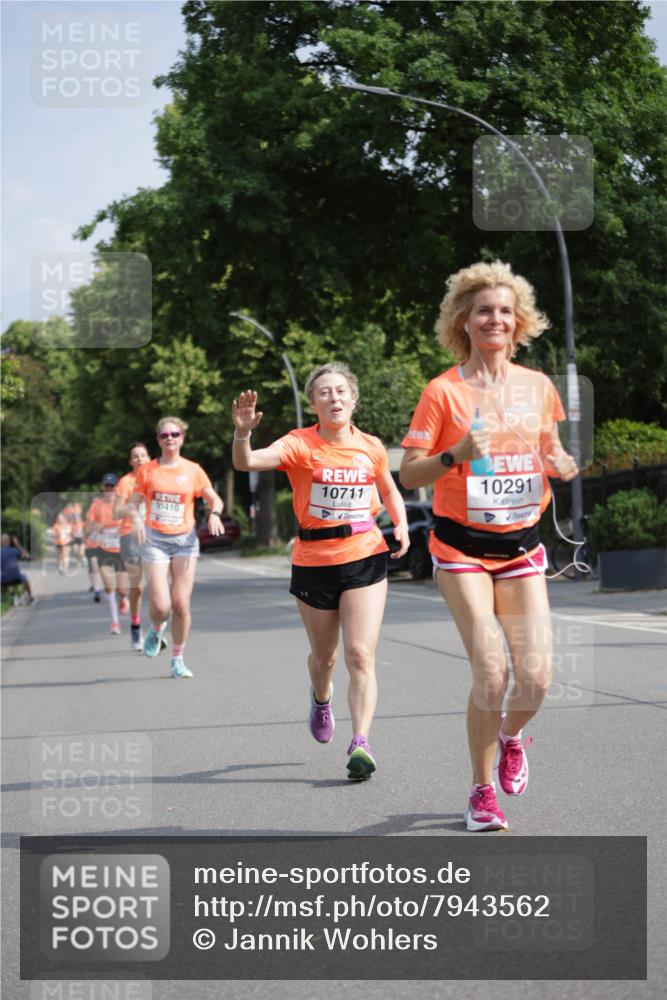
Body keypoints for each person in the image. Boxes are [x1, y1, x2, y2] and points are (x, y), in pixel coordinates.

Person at [400, 261, 578, 831]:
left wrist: (559, 460)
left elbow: (548, 447)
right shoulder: (442, 392)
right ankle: (481, 795)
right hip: (461, 550)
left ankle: (512, 735)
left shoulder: (538, 386)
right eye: (483, 310)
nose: (495, 318)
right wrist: (454, 453)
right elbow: (409, 475)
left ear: (518, 320)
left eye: (504, 310)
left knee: (538, 678)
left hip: (522, 545)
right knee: (493, 672)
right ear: (464, 322)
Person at [232, 363, 409, 780]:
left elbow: (388, 489)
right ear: (313, 403)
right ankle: (321, 696)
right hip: (314, 560)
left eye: (341, 391)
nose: (334, 398)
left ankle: (361, 741)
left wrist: (399, 522)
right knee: (325, 657)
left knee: (360, 654)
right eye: (325, 392)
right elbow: (248, 463)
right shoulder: (299, 444)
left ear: (353, 398)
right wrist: (242, 433)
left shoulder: (371, 446)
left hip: (365, 552)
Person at [130, 416, 224, 678]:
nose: (169, 438)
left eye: (174, 434)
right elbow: (132, 503)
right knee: (161, 606)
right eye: (164, 435)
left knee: (181, 604)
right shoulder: (147, 470)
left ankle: (177, 659)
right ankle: (157, 629)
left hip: (184, 541)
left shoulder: (193, 470)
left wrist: (214, 513)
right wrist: (136, 518)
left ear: (182, 437)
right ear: (158, 440)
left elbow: (214, 499)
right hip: (155, 541)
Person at [113, 443, 151, 652]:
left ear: (148, 458)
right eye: (135, 456)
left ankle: (157, 627)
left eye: (143, 455)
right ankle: (136, 626)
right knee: (138, 587)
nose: (139, 459)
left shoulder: (156, 477)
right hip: (130, 535)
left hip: (155, 534)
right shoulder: (125, 482)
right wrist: (134, 510)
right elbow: (116, 512)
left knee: (159, 583)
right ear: (131, 462)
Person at [84, 474, 129, 635]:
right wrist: (94, 527)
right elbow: (87, 530)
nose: (109, 489)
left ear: (117, 487)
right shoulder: (96, 506)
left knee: (122, 590)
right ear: (103, 487)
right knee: (109, 587)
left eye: (112, 486)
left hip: (121, 550)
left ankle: (124, 598)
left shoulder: (123, 504)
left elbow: (131, 523)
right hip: (103, 550)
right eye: (107, 486)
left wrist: (122, 529)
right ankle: (115, 623)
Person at [1, 533, 33, 602]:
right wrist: (18, 545)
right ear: (9, 542)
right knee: (26, 579)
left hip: (3, 580)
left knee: (2, 578)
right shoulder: (14, 550)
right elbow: (28, 556)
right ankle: (30, 596)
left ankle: (2, 598)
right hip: (17, 578)